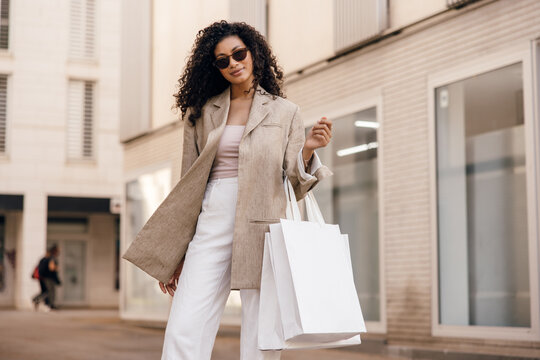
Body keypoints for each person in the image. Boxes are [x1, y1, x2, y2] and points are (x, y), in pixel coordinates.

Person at [122, 21, 333, 360]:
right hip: (212, 215)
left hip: (265, 221)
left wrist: (307, 150)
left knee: (263, 332)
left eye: (239, 54)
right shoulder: (201, 112)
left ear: (254, 53)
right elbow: (187, 187)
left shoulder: (285, 111)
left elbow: (293, 184)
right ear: (215, 68)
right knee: (184, 323)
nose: (233, 63)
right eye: (223, 60)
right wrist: (176, 254)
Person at [32, 245, 61, 310]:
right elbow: (51, 268)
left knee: (45, 291)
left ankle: (37, 300)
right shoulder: (51, 258)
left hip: (42, 278)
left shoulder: (43, 259)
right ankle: (50, 305)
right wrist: (56, 268)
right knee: (50, 291)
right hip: (49, 278)